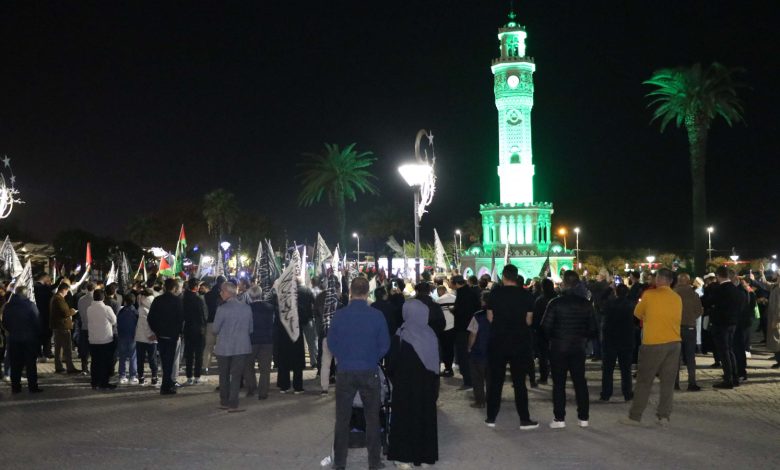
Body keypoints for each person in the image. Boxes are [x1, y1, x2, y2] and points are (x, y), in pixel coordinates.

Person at [327, 277, 390, 470]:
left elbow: (331, 344)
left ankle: (339, 463)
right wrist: (371, 358)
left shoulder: (339, 315)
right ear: (367, 292)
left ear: (351, 292)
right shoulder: (377, 315)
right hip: (369, 370)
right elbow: (385, 345)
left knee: (342, 419)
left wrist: (344, 358)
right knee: (372, 418)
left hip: (345, 371)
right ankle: (374, 462)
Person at [620, 268, 682, 426]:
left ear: (659, 279)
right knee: (667, 383)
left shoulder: (649, 295)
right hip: (674, 343)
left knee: (644, 382)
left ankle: (635, 416)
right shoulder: (677, 298)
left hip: (653, 343)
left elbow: (637, 314)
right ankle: (664, 416)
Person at [484, 264, 539, 430]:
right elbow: (529, 321)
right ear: (516, 277)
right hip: (519, 342)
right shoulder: (526, 295)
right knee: (520, 382)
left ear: (503, 276)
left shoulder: (494, 294)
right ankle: (524, 419)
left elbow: (490, 317)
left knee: (495, 381)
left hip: (498, 341)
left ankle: (491, 418)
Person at [387, 299, 439, 469]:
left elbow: (391, 364)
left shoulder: (401, 334)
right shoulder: (431, 334)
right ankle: (425, 457)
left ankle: (403, 457)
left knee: (404, 419)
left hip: (405, 387)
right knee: (425, 417)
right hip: (427, 386)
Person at [542, 270, 597, 428]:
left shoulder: (555, 303)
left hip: (558, 347)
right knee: (580, 382)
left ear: (564, 283)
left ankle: (560, 418)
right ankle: (583, 417)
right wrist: (581, 336)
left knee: (559, 383)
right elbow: (593, 329)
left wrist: (554, 337)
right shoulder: (586, 304)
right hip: (578, 347)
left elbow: (545, 327)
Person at [213, 281, 253, 412]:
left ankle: (224, 401)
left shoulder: (222, 308)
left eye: (221, 291)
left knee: (223, 375)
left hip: (224, 347)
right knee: (236, 376)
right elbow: (250, 329)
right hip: (241, 347)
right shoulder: (247, 308)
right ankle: (233, 404)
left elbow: (215, 329)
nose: (220, 293)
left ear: (227, 293)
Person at [704, 266, 744, 389]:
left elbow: (707, 302)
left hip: (721, 325)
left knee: (724, 352)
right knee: (730, 350)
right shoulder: (735, 289)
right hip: (733, 323)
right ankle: (735, 376)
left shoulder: (719, 289)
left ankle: (728, 379)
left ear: (718, 276)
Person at [2, 286, 43, 393]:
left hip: (14, 338)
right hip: (29, 339)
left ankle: (15, 387)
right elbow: (37, 321)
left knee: (15, 364)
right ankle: (32, 386)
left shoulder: (8, 306)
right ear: (25, 294)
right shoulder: (30, 306)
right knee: (30, 364)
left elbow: (4, 322)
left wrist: (12, 330)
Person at [147, 279, 184, 395]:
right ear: (174, 288)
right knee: (170, 360)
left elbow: (150, 318)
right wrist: (178, 332)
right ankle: (167, 385)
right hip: (172, 335)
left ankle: (166, 384)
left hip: (161, 335)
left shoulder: (158, 300)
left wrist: (157, 331)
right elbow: (181, 318)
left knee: (164, 360)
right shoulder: (177, 301)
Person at [600, 284, 635, 402]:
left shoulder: (610, 304)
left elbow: (601, 300)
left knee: (608, 369)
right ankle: (627, 393)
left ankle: (606, 393)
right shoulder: (631, 305)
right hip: (626, 339)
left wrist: (609, 288)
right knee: (626, 369)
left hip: (610, 338)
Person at [242, 285, 275, 399]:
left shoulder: (247, 308)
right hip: (267, 341)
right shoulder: (270, 307)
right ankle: (263, 392)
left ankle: (251, 388)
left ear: (250, 296)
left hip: (251, 341)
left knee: (248, 365)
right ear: (261, 294)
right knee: (265, 368)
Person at [276, 279, 308, 394]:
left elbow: (277, 323)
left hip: (284, 338)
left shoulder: (281, 307)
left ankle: (284, 386)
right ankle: (297, 387)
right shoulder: (298, 306)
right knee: (297, 363)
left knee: (284, 362)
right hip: (296, 337)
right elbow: (305, 319)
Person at [674, 273, 703, 391]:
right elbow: (699, 311)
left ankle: (675, 383)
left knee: (675, 357)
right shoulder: (694, 294)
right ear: (688, 281)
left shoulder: (672, 293)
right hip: (690, 327)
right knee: (690, 357)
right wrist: (691, 318)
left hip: (675, 328)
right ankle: (692, 382)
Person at [452, 274, 480, 389]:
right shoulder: (472, 292)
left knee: (463, 355)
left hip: (462, 329)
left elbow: (461, 312)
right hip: (472, 327)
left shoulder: (462, 294)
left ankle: (468, 381)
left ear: (456, 283)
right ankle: (474, 378)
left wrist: (454, 311)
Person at [86, 289, 118, 390]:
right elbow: (114, 321)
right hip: (105, 339)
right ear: (103, 297)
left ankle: (94, 382)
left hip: (93, 339)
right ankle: (104, 382)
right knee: (105, 362)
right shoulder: (107, 308)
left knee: (95, 362)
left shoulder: (89, 309)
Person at [467, 290, 491, 408]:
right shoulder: (500, 314)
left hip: (479, 352)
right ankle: (492, 400)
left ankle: (480, 401)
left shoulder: (478, 315)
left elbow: (473, 334)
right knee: (492, 379)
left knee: (477, 379)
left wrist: (469, 347)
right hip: (494, 352)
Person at [182, 277, 208, 385]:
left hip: (188, 328)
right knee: (198, 354)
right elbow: (203, 315)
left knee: (189, 354)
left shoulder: (183, 298)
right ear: (196, 287)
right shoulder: (198, 299)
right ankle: (197, 376)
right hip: (198, 330)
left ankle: (189, 377)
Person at [49, 282, 79, 373]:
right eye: (67, 291)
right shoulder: (59, 299)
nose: (67, 293)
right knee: (66, 348)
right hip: (62, 327)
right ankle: (70, 367)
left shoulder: (55, 298)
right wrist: (73, 311)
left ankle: (59, 367)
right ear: (64, 290)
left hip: (58, 326)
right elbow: (65, 313)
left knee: (59, 348)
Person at [531, 278, 556, 385]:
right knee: (554, 355)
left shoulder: (540, 300)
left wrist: (535, 328)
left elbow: (536, 316)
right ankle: (555, 374)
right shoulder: (557, 298)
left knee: (543, 355)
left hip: (542, 331)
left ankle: (544, 376)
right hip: (555, 330)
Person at [202, 275, 226, 376]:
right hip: (222, 324)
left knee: (208, 346)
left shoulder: (208, 295)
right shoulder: (224, 294)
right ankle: (222, 366)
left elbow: (205, 310)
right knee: (221, 347)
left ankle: (205, 367)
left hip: (210, 322)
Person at [134, 289, 158, 386]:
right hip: (152, 337)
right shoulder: (155, 303)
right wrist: (153, 334)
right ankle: (154, 378)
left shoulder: (141, 307)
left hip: (141, 337)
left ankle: (141, 378)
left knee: (140, 359)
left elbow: (144, 323)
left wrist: (149, 335)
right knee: (152, 358)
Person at [116, 293, 139, 384]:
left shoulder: (121, 311)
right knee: (133, 357)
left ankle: (122, 375)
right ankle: (132, 376)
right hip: (132, 336)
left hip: (122, 336)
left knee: (122, 357)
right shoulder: (135, 312)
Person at [435, 284, 456, 377]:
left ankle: (448, 368)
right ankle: (450, 366)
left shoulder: (438, 301)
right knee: (451, 348)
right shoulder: (455, 298)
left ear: (440, 291)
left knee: (444, 348)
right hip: (454, 326)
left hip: (444, 328)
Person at [33, 273, 54, 360]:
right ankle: (46, 352)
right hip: (45, 315)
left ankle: (39, 352)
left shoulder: (34, 287)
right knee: (46, 335)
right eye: (48, 278)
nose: (49, 280)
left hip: (37, 315)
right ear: (44, 277)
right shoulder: (43, 288)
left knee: (39, 336)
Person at [76, 282, 95, 374]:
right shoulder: (95, 299)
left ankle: (84, 368)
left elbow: (80, 312)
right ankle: (94, 368)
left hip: (84, 326)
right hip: (94, 328)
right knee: (94, 349)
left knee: (84, 349)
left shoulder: (81, 299)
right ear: (94, 289)